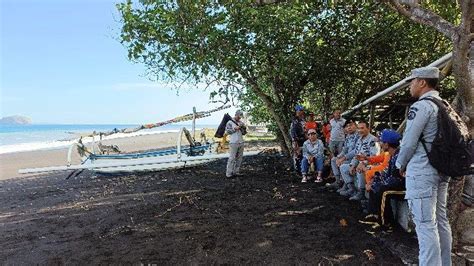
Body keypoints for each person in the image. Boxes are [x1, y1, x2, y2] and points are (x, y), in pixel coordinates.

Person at [395, 66, 451, 266]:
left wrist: (400, 163)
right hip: (442, 169)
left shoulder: (421, 106)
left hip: (423, 171)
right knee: (441, 221)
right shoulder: (444, 104)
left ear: (422, 82)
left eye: (412, 81)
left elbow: (409, 142)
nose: (410, 85)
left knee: (426, 225)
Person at [363, 129, 404, 227]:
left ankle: (387, 223)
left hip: (403, 186)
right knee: (375, 184)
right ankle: (373, 214)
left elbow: (395, 178)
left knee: (382, 190)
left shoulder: (399, 157)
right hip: (394, 183)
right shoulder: (391, 155)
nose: (380, 144)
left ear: (387, 144)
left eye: (381, 142)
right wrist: (373, 181)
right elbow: (386, 174)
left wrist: (375, 183)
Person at [339, 120, 379, 200]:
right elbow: (356, 155)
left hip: (371, 165)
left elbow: (375, 157)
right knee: (343, 167)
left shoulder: (373, 140)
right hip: (360, 163)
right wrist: (352, 165)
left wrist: (363, 163)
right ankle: (352, 189)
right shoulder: (359, 139)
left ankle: (361, 193)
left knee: (360, 169)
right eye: (359, 128)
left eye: (362, 128)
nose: (360, 130)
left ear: (368, 129)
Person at [327, 119, 359, 189]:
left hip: (355, 159)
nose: (349, 127)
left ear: (356, 126)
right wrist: (338, 157)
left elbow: (356, 151)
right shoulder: (348, 136)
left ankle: (347, 185)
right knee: (333, 160)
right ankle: (338, 181)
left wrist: (343, 158)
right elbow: (345, 149)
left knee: (342, 163)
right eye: (347, 126)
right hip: (348, 158)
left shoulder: (358, 136)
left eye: (351, 125)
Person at [225, 110, 246, 178]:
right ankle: (228, 174)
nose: (240, 118)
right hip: (233, 142)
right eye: (239, 116)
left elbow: (244, 133)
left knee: (239, 158)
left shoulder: (241, 122)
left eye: (241, 117)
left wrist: (243, 127)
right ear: (236, 115)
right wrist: (235, 129)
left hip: (241, 142)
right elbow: (228, 132)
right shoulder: (230, 122)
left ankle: (236, 172)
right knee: (232, 158)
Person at [290, 105, 306, 173]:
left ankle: (303, 170)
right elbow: (293, 131)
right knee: (297, 154)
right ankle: (297, 171)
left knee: (302, 154)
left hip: (303, 140)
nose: (301, 112)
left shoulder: (302, 119)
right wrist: (295, 141)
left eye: (302, 110)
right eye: (300, 110)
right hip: (297, 140)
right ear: (297, 111)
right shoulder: (295, 120)